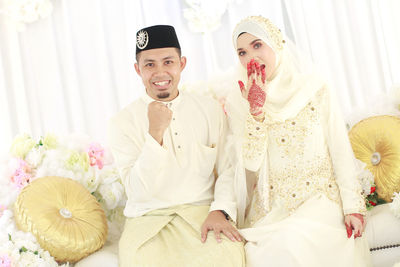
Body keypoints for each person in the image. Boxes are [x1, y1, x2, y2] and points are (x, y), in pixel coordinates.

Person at [222, 16, 372, 266]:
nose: (251, 58)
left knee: (292, 242)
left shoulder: (315, 88)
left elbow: (339, 149)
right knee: (269, 250)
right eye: (242, 52)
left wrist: (353, 206)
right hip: (272, 210)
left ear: (276, 42)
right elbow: (250, 166)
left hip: (318, 201)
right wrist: (255, 113)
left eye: (258, 45)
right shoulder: (239, 101)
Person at [107, 25, 245, 267]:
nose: (160, 72)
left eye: (168, 62)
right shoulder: (123, 122)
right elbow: (137, 192)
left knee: (227, 258)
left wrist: (220, 210)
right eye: (149, 64)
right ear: (137, 70)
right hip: (148, 221)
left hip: (203, 215)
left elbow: (228, 168)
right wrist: (155, 135)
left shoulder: (209, 109)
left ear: (182, 64)